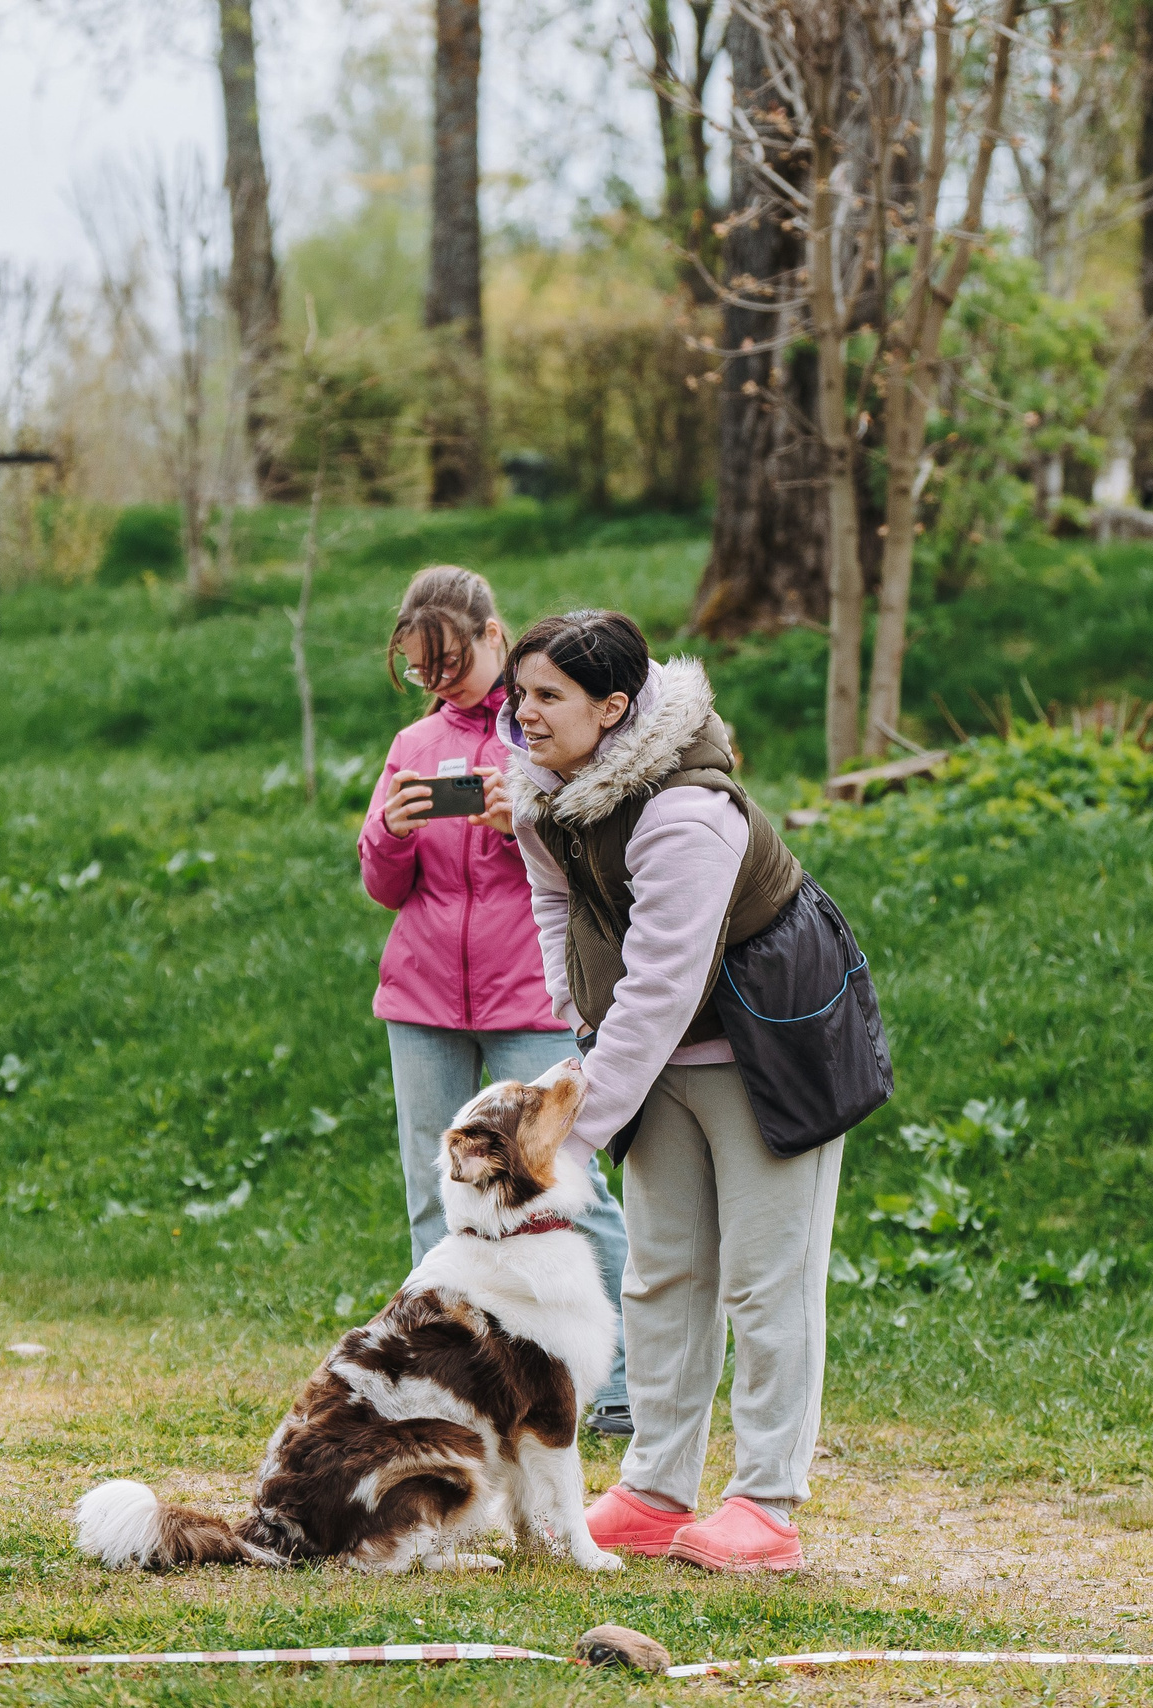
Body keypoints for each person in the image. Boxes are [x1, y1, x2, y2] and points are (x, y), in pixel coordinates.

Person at [501, 610, 876, 1575]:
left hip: (767, 1047)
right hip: (652, 1053)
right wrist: (573, 1014)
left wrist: (573, 1129)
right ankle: (658, 1488)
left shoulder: (686, 812)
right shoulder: (541, 793)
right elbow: (559, 904)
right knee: (661, 1273)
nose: (524, 714)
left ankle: (766, 1506)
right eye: (520, 693)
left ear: (613, 707)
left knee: (767, 1281)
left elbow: (666, 981)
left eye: (548, 696)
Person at [356, 567, 635, 1440]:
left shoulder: (544, 730)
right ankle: (446, 1377)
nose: (437, 683)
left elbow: (595, 871)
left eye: (449, 662)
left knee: (571, 1191)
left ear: (490, 636)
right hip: (424, 1000)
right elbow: (382, 884)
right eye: (418, 670)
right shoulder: (411, 745)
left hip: (529, 997)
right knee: (432, 1193)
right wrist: (390, 830)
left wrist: (528, 822)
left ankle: (618, 1386)